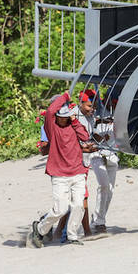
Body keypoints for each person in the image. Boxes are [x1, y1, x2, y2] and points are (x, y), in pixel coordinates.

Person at [31, 92, 94, 246]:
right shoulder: (52, 127)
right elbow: (51, 111)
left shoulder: (74, 125)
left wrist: (74, 121)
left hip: (77, 171)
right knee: (61, 209)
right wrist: (65, 96)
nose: (63, 118)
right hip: (59, 174)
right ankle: (39, 230)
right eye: (61, 116)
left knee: (79, 206)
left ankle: (72, 236)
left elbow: (85, 137)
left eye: (67, 115)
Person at [80, 89, 118, 233]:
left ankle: (99, 219)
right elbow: (89, 134)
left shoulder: (117, 113)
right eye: (108, 99)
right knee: (104, 185)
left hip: (112, 153)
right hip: (96, 154)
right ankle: (100, 222)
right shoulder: (92, 113)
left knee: (110, 190)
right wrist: (99, 137)